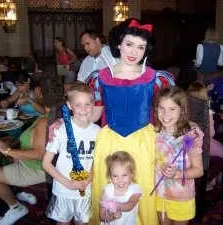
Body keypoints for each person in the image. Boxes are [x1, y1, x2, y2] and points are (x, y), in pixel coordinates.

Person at [49, 18, 179, 225]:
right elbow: (91, 116)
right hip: (110, 141)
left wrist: (192, 127)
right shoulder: (100, 78)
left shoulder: (156, 78)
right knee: (110, 188)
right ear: (118, 44)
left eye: (140, 47)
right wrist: (66, 124)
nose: (134, 52)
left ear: (146, 50)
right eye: (129, 44)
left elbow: (173, 109)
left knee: (141, 190)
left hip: (143, 143)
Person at [0, 77, 65, 225]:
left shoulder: (43, 121)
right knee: (8, 144)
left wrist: (8, 151)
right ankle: (21, 192)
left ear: (41, 96)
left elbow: (39, 154)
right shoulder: (56, 113)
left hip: (37, 169)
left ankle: (16, 208)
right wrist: (12, 144)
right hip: (43, 167)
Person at [43, 83, 100, 224]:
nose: (84, 109)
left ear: (93, 104)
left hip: (85, 191)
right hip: (63, 191)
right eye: (78, 105)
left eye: (88, 104)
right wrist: (67, 183)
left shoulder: (98, 132)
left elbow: (97, 163)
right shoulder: (60, 130)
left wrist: (89, 179)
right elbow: (46, 163)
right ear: (69, 105)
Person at [154, 86, 204, 225]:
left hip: (181, 198)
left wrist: (177, 174)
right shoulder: (155, 131)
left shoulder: (188, 137)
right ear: (156, 109)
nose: (166, 114)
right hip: (160, 195)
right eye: (162, 108)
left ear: (181, 110)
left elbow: (199, 170)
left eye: (172, 109)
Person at [187, 82, 223, 189]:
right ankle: (213, 183)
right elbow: (211, 134)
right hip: (204, 143)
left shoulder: (184, 109)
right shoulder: (207, 112)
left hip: (187, 141)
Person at [100, 151, 142, 225]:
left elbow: (130, 205)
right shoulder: (107, 190)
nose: (120, 180)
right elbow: (102, 216)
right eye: (115, 176)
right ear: (110, 175)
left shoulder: (135, 190)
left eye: (124, 175)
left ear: (131, 174)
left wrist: (117, 206)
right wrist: (113, 216)